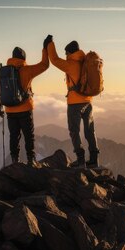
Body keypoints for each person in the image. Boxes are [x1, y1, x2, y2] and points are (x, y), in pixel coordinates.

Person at [0, 38, 51, 166]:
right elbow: (44, 65)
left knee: (14, 136)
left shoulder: (5, 73)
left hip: (10, 110)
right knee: (28, 135)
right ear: (23, 58)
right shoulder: (27, 70)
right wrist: (45, 48)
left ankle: (15, 160)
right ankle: (31, 160)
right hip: (25, 109)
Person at [46, 35, 100, 168]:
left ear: (70, 52)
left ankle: (81, 160)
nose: (65, 55)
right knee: (89, 131)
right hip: (88, 101)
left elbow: (54, 59)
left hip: (75, 103)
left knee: (74, 131)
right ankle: (94, 160)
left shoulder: (71, 64)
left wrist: (49, 44)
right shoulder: (86, 63)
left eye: (66, 53)